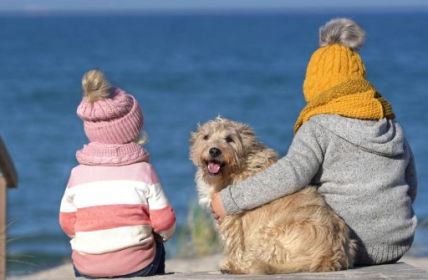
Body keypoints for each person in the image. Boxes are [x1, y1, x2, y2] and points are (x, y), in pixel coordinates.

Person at [210, 18, 417, 266]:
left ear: (316, 83)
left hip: (345, 245)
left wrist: (230, 200)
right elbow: (410, 186)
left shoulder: (319, 126)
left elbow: (290, 175)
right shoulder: (391, 125)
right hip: (398, 243)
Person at [59, 70, 176, 278]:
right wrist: (161, 237)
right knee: (157, 244)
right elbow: (164, 222)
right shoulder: (144, 172)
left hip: (87, 268)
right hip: (138, 267)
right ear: (134, 129)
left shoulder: (77, 175)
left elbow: (67, 222)